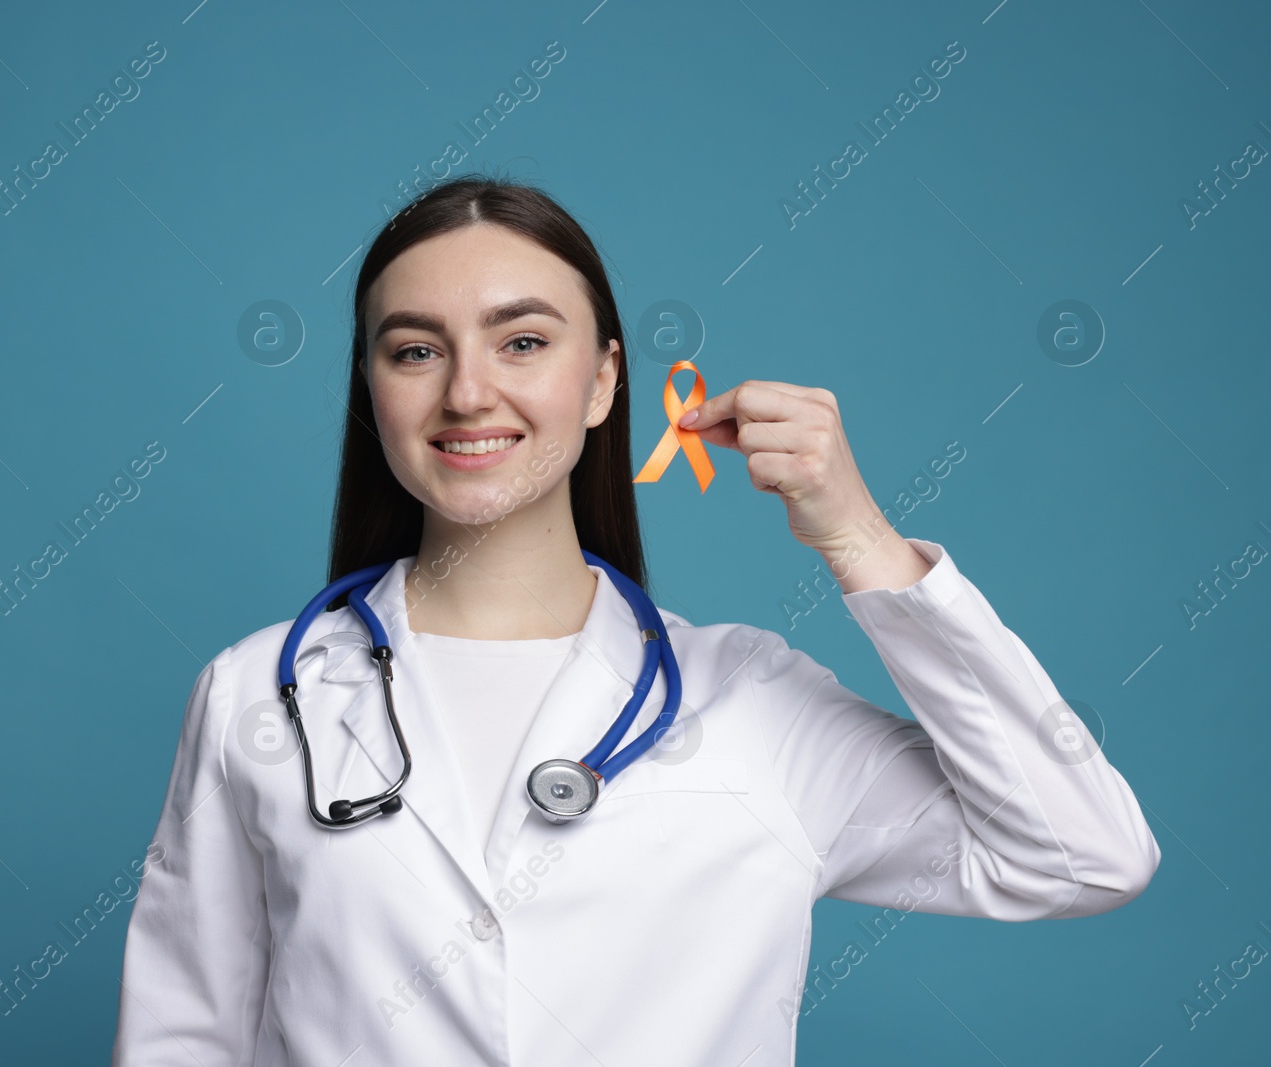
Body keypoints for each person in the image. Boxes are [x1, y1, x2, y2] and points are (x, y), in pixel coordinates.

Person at [109, 175, 1160, 1067]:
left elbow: (1081, 852)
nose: (468, 392)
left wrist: (863, 542)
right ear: (371, 386)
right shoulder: (259, 694)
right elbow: (182, 1035)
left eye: (521, 340)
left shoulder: (755, 704)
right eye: (415, 351)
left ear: (607, 378)